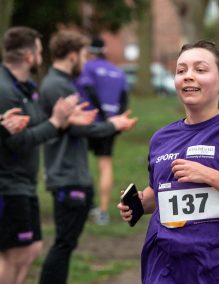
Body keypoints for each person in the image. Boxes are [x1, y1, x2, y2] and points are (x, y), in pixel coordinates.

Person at [118, 40, 219, 283]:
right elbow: (161, 192)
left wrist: (210, 176)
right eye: (181, 70)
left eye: (200, 69)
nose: (188, 76)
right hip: (166, 269)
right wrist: (139, 203)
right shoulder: (161, 138)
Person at [38, 30, 137, 284]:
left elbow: (74, 124)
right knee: (63, 244)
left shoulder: (61, 82)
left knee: (66, 244)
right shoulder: (58, 85)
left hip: (71, 172)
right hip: (65, 175)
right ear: (73, 56)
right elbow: (77, 127)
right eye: (83, 55)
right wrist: (112, 125)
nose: (85, 61)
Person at [0, 26, 96, 284]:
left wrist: (65, 119)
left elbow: (36, 123)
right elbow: (17, 142)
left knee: (31, 248)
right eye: (40, 51)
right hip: (9, 184)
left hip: (25, 184)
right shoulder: (5, 90)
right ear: (30, 56)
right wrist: (56, 122)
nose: (43, 56)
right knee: (14, 254)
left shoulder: (24, 87)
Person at [75, 37, 129, 225]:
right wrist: (117, 119)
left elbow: (89, 90)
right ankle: (103, 212)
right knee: (105, 165)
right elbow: (124, 98)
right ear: (105, 49)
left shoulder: (87, 67)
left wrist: (101, 113)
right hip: (112, 122)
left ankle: (86, 205)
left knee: (81, 162)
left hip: (89, 121)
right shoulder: (118, 71)